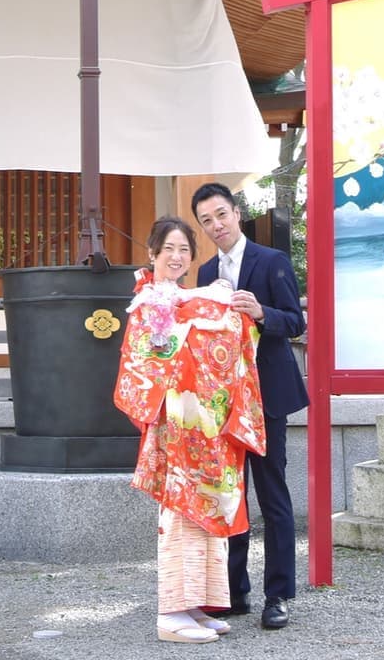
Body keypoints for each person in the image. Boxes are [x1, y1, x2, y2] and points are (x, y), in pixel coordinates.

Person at [114, 215, 266, 644]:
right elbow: (144, 363)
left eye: (184, 250)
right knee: (180, 517)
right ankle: (170, 612)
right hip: (176, 428)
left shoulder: (189, 298)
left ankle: (197, 604)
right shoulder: (148, 303)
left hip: (204, 425)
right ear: (152, 254)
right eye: (168, 250)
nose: (177, 258)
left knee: (207, 513)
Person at [191, 181, 307, 631]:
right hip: (223, 401)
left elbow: (294, 321)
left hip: (266, 397)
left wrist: (261, 312)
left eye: (221, 215)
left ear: (236, 212)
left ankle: (277, 595)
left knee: (272, 494)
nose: (216, 225)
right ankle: (232, 592)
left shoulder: (271, 260)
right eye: (206, 220)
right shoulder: (205, 274)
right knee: (228, 494)